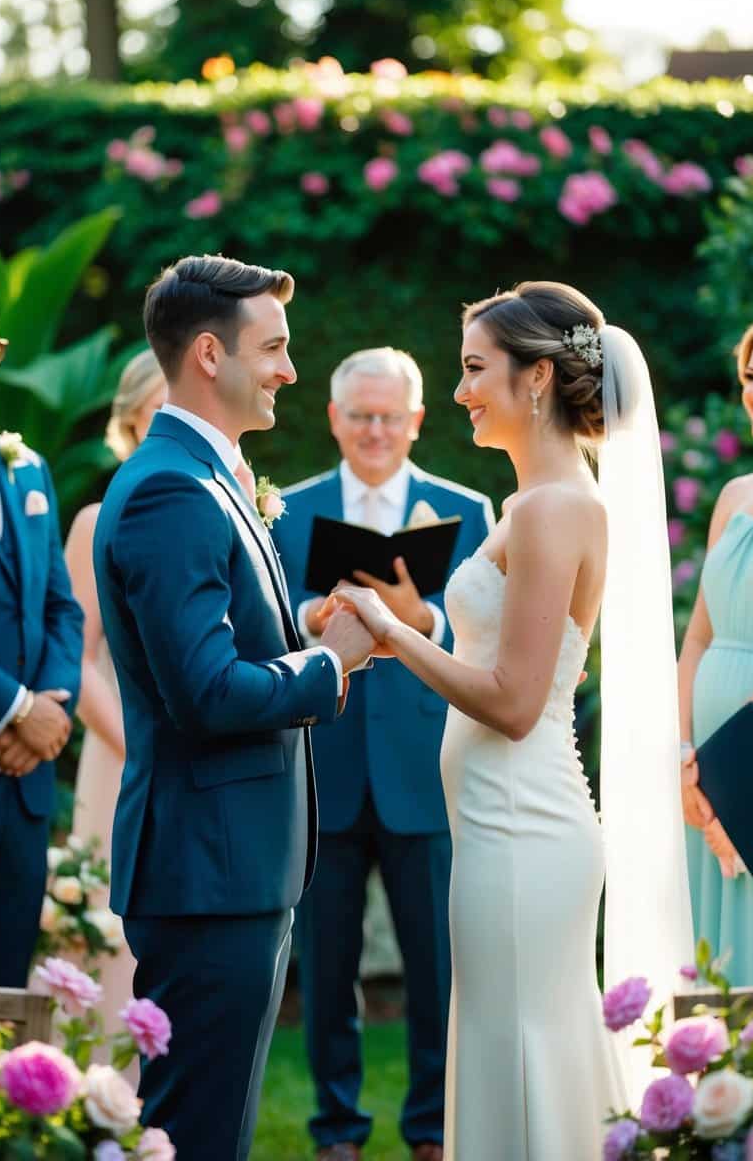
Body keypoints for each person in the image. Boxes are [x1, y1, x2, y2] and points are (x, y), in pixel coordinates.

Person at [327, 283, 692, 1159]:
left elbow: (514, 702)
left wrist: (381, 630)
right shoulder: (535, 502)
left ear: (535, 379)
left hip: (524, 825)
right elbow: (495, 656)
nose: (459, 393)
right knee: (500, 1031)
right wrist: (403, 631)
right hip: (497, 821)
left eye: (472, 370)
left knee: (521, 1037)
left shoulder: (555, 506)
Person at [92, 254, 375, 1161]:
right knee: (195, 1131)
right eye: (276, 348)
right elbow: (205, 691)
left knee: (214, 1125)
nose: (290, 369)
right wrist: (326, 667)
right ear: (210, 355)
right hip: (205, 874)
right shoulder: (172, 488)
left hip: (233, 867)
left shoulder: (207, 472)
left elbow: (210, 641)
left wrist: (296, 626)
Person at [273, 346, 493, 1161]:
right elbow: (269, 621)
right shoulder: (288, 510)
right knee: (327, 970)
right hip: (324, 764)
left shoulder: (464, 505)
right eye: (360, 416)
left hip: (423, 767)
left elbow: (492, 627)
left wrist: (420, 619)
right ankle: (336, 1131)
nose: (374, 430)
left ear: (416, 420)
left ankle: (433, 1129)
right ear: (334, 418)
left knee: (436, 964)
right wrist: (311, 616)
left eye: (389, 416)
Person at [0, 272, 83, 987]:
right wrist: (13, 709)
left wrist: (50, 708)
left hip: (23, 792)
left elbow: (60, 606)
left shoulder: (25, 464)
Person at [63, 348, 167, 1062]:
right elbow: (77, 658)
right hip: (122, 762)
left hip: (194, 757)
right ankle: (104, 1101)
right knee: (112, 938)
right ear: (130, 422)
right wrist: (140, 745)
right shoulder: (96, 520)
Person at [679, 309, 753, 985]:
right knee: (715, 958)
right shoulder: (734, 495)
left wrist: (733, 763)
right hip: (705, 760)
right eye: (749, 375)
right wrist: (684, 753)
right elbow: (697, 635)